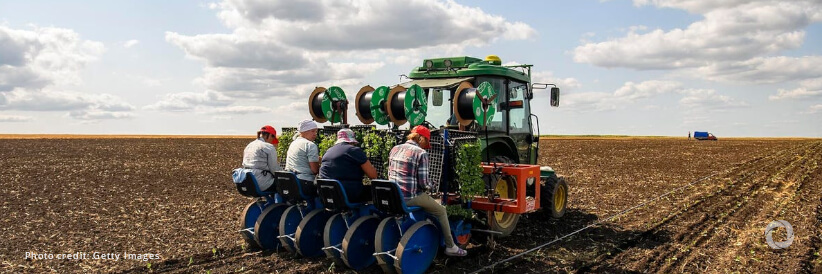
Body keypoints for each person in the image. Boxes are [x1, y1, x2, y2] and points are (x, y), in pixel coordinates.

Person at [387, 125, 467, 257]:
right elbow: (424, 184)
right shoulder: (420, 153)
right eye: (427, 141)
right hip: (409, 197)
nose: (426, 146)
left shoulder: (395, 148)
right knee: (441, 210)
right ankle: (451, 246)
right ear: (421, 138)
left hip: (393, 195)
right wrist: (433, 186)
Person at [318, 128, 378, 202]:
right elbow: (373, 175)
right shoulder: (354, 150)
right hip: (348, 194)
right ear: (352, 141)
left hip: (327, 193)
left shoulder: (328, 151)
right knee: (377, 192)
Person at [242, 125, 282, 192]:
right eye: (273, 138)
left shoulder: (249, 145)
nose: (272, 141)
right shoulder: (268, 147)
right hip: (261, 182)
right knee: (285, 184)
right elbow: (274, 169)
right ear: (269, 135)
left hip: (246, 180)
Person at [285, 119, 321, 194]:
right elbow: (314, 170)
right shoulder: (310, 145)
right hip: (304, 182)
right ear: (304, 131)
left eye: (316, 131)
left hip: (291, 181)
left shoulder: (293, 143)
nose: (315, 134)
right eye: (312, 131)